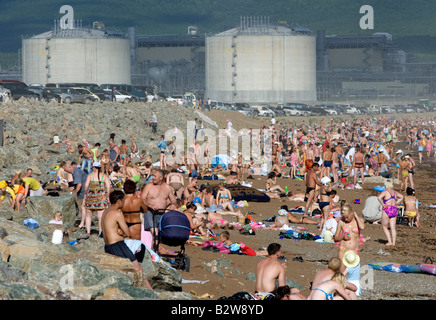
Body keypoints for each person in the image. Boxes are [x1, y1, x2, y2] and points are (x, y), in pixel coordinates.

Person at [101, 190, 153, 290]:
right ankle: (151, 292)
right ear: (119, 201)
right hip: (118, 245)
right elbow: (128, 233)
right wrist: (123, 232)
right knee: (137, 267)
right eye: (123, 201)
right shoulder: (117, 213)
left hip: (107, 246)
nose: (124, 203)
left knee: (122, 271)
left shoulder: (105, 211)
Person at [140, 169, 177, 252]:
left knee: (158, 235)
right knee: (154, 232)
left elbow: (173, 200)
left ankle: (153, 250)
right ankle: (153, 251)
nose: (153, 178)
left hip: (160, 213)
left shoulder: (167, 187)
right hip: (149, 212)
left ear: (161, 178)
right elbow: (142, 198)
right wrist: (150, 205)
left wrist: (173, 205)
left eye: (155, 176)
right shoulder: (149, 186)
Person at [334, 203, 365, 272]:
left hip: (354, 251)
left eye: (347, 217)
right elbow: (335, 238)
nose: (346, 219)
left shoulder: (358, 221)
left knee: (352, 273)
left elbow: (362, 227)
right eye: (344, 217)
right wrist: (342, 237)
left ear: (352, 214)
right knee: (342, 272)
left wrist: (356, 216)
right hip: (343, 250)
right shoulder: (341, 222)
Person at [83, 162, 111, 237]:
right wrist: (107, 196)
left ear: (94, 167)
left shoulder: (90, 175)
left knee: (88, 215)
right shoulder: (104, 176)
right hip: (101, 197)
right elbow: (108, 187)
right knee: (100, 216)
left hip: (91, 197)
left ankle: (88, 232)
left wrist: (85, 194)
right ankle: (100, 232)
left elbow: (86, 185)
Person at [377, 179, 403, 246]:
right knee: (393, 227)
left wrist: (383, 204)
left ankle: (389, 241)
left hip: (387, 208)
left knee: (385, 226)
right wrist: (396, 203)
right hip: (394, 208)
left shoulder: (385, 192)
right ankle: (393, 243)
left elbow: (379, 198)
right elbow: (401, 197)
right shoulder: (395, 192)